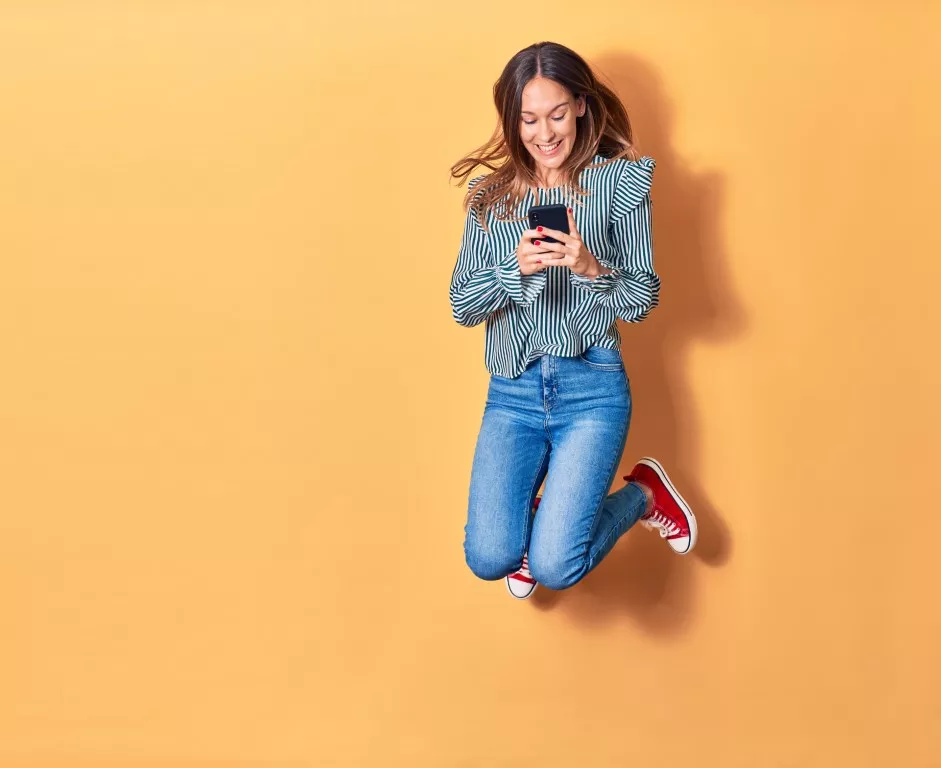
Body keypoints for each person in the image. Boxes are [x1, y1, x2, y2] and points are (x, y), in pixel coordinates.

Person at [449, 41, 697, 601]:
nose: (545, 134)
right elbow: (464, 304)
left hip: (592, 389)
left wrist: (590, 268)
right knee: (489, 557)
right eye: (529, 119)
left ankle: (643, 494)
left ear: (581, 105)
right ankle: (541, 516)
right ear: (512, 121)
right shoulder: (490, 198)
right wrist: (513, 272)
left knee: (556, 566)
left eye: (557, 114)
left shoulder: (619, 185)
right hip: (511, 394)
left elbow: (641, 298)